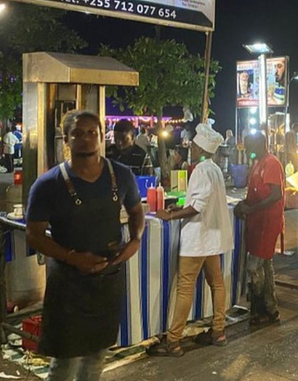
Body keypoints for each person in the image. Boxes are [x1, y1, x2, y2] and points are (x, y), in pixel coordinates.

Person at [25, 110, 144, 380]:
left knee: (96, 357)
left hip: (108, 281)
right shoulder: (47, 185)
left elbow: (137, 212)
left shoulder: (122, 175)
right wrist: (72, 257)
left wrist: (135, 240)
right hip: (68, 284)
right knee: (65, 364)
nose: (86, 138)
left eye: (92, 132)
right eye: (78, 132)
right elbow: (34, 235)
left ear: (102, 137)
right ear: (66, 139)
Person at [153, 123, 232, 356]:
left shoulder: (201, 170)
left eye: (194, 146)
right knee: (217, 283)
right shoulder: (215, 169)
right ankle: (219, 330)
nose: (191, 149)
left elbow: (197, 207)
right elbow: (199, 202)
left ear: (201, 149)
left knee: (185, 287)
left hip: (198, 238)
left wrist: (170, 215)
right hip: (212, 239)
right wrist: (180, 205)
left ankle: (174, 341)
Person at [235, 131, 284, 326]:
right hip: (257, 222)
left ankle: (261, 309)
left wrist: (252, 209)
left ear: (261, 145)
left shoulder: (271, 163)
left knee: (255, 267)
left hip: (267, 222)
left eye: (249, 147)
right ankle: (270, 308)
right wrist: (243, 205)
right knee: (265, 265)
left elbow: (275, 195)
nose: (247, 151)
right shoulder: (257, 163)